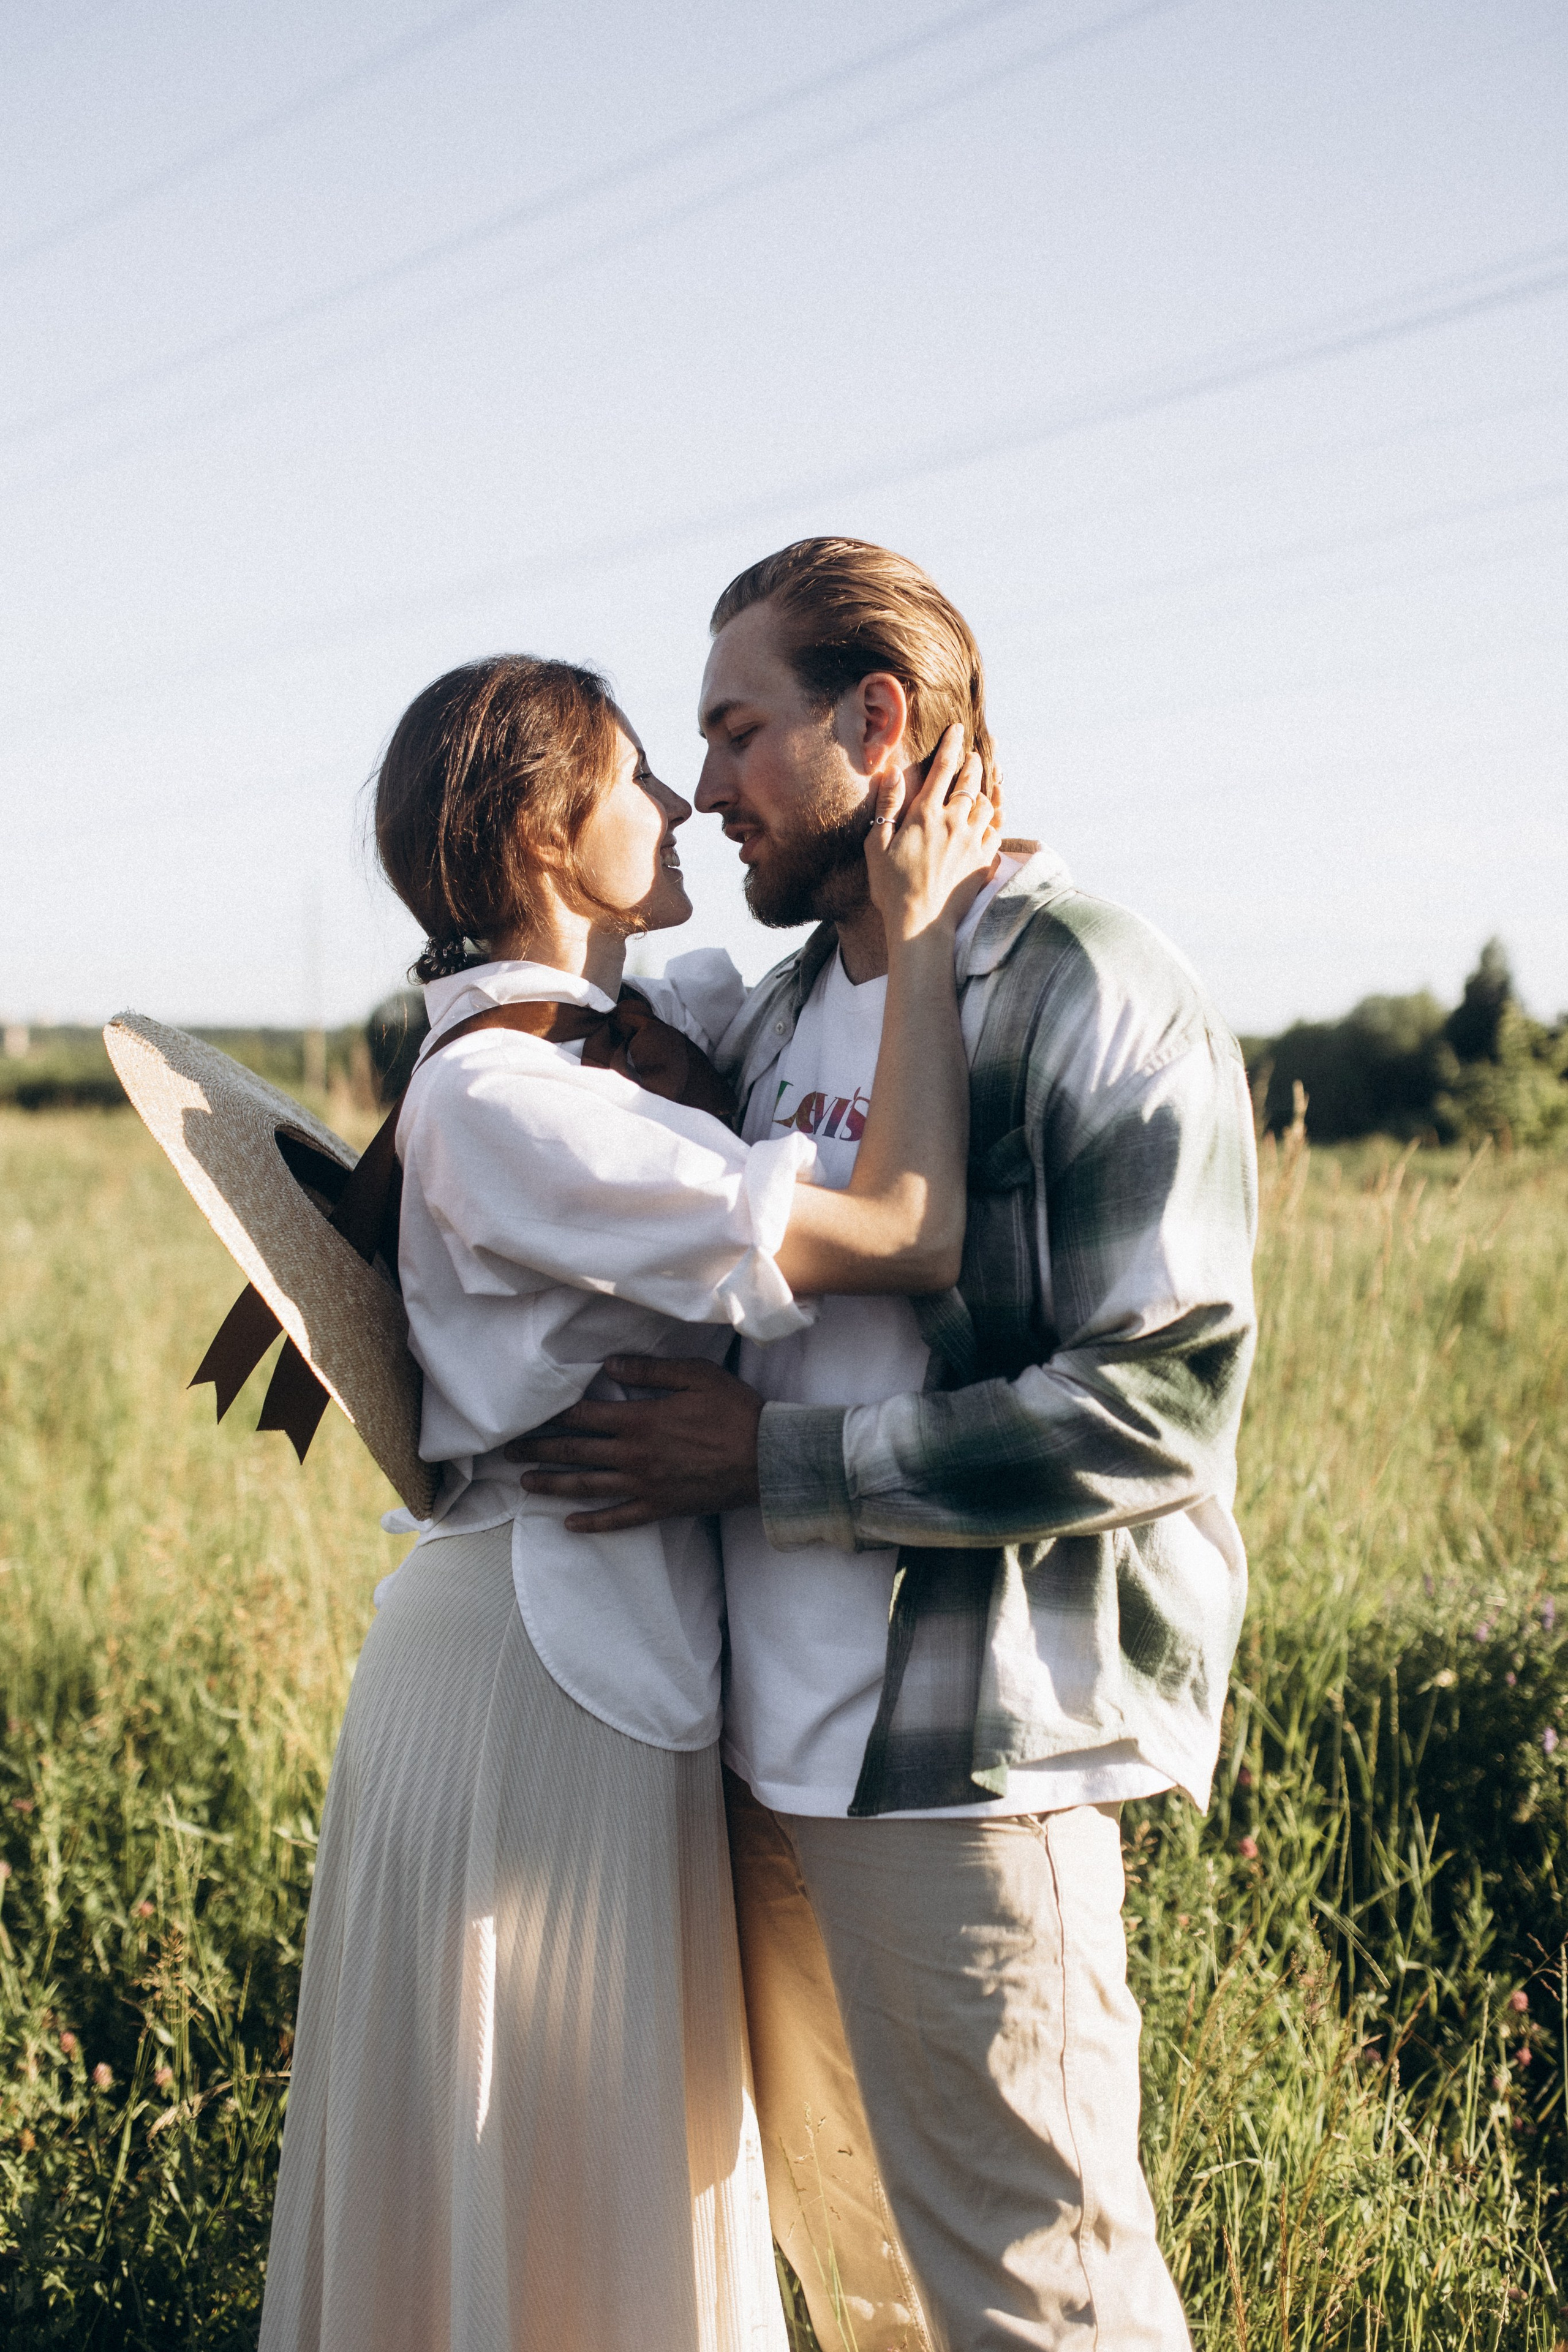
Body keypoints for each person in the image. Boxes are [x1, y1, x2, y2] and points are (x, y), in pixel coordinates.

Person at [511, 542, 1260, 2351]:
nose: (703, 790)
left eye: (740, 730)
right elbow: (506, 1023)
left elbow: (1154, 1404)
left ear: (880, 722)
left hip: (965, 1779)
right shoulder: (766, 1023)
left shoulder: (1088, 982)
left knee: (1038, 2302)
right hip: (768, 1773)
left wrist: (770, 1465)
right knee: (860, 2299)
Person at [257, 652, 1001, 2352]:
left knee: (600, 2144)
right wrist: (938, 935)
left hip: (595, 1643)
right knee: (559, 2141)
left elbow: (788, 1019)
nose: (679, 803)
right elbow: (906, 1229)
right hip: (543, 1657)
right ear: (543, 828)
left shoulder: (615, 1050)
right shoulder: (507, 1106)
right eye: (641, 778)